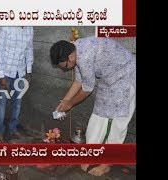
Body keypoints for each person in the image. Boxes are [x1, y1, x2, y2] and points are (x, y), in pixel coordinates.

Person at [50, 37, 136, 176]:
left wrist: (70, 103)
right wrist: (64, 101)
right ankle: (90, 155)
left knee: (116, 124)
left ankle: (106, 164)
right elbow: (79, 81)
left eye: (64, 66)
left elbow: (87, 88)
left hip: (126, 78)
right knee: (98, 117)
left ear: (70, 57)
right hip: (109, 79)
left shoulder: (85, 55)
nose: (65, 69)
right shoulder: (76, 52)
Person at [0, 27, 34, 142]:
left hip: (20, 72)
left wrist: (29, 71)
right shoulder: (5, 26)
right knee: (1, 104)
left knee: (17, 103)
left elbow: (29, 49)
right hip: (5, 72)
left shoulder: (29, 27)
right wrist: (1, 75)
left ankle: (12, 128)